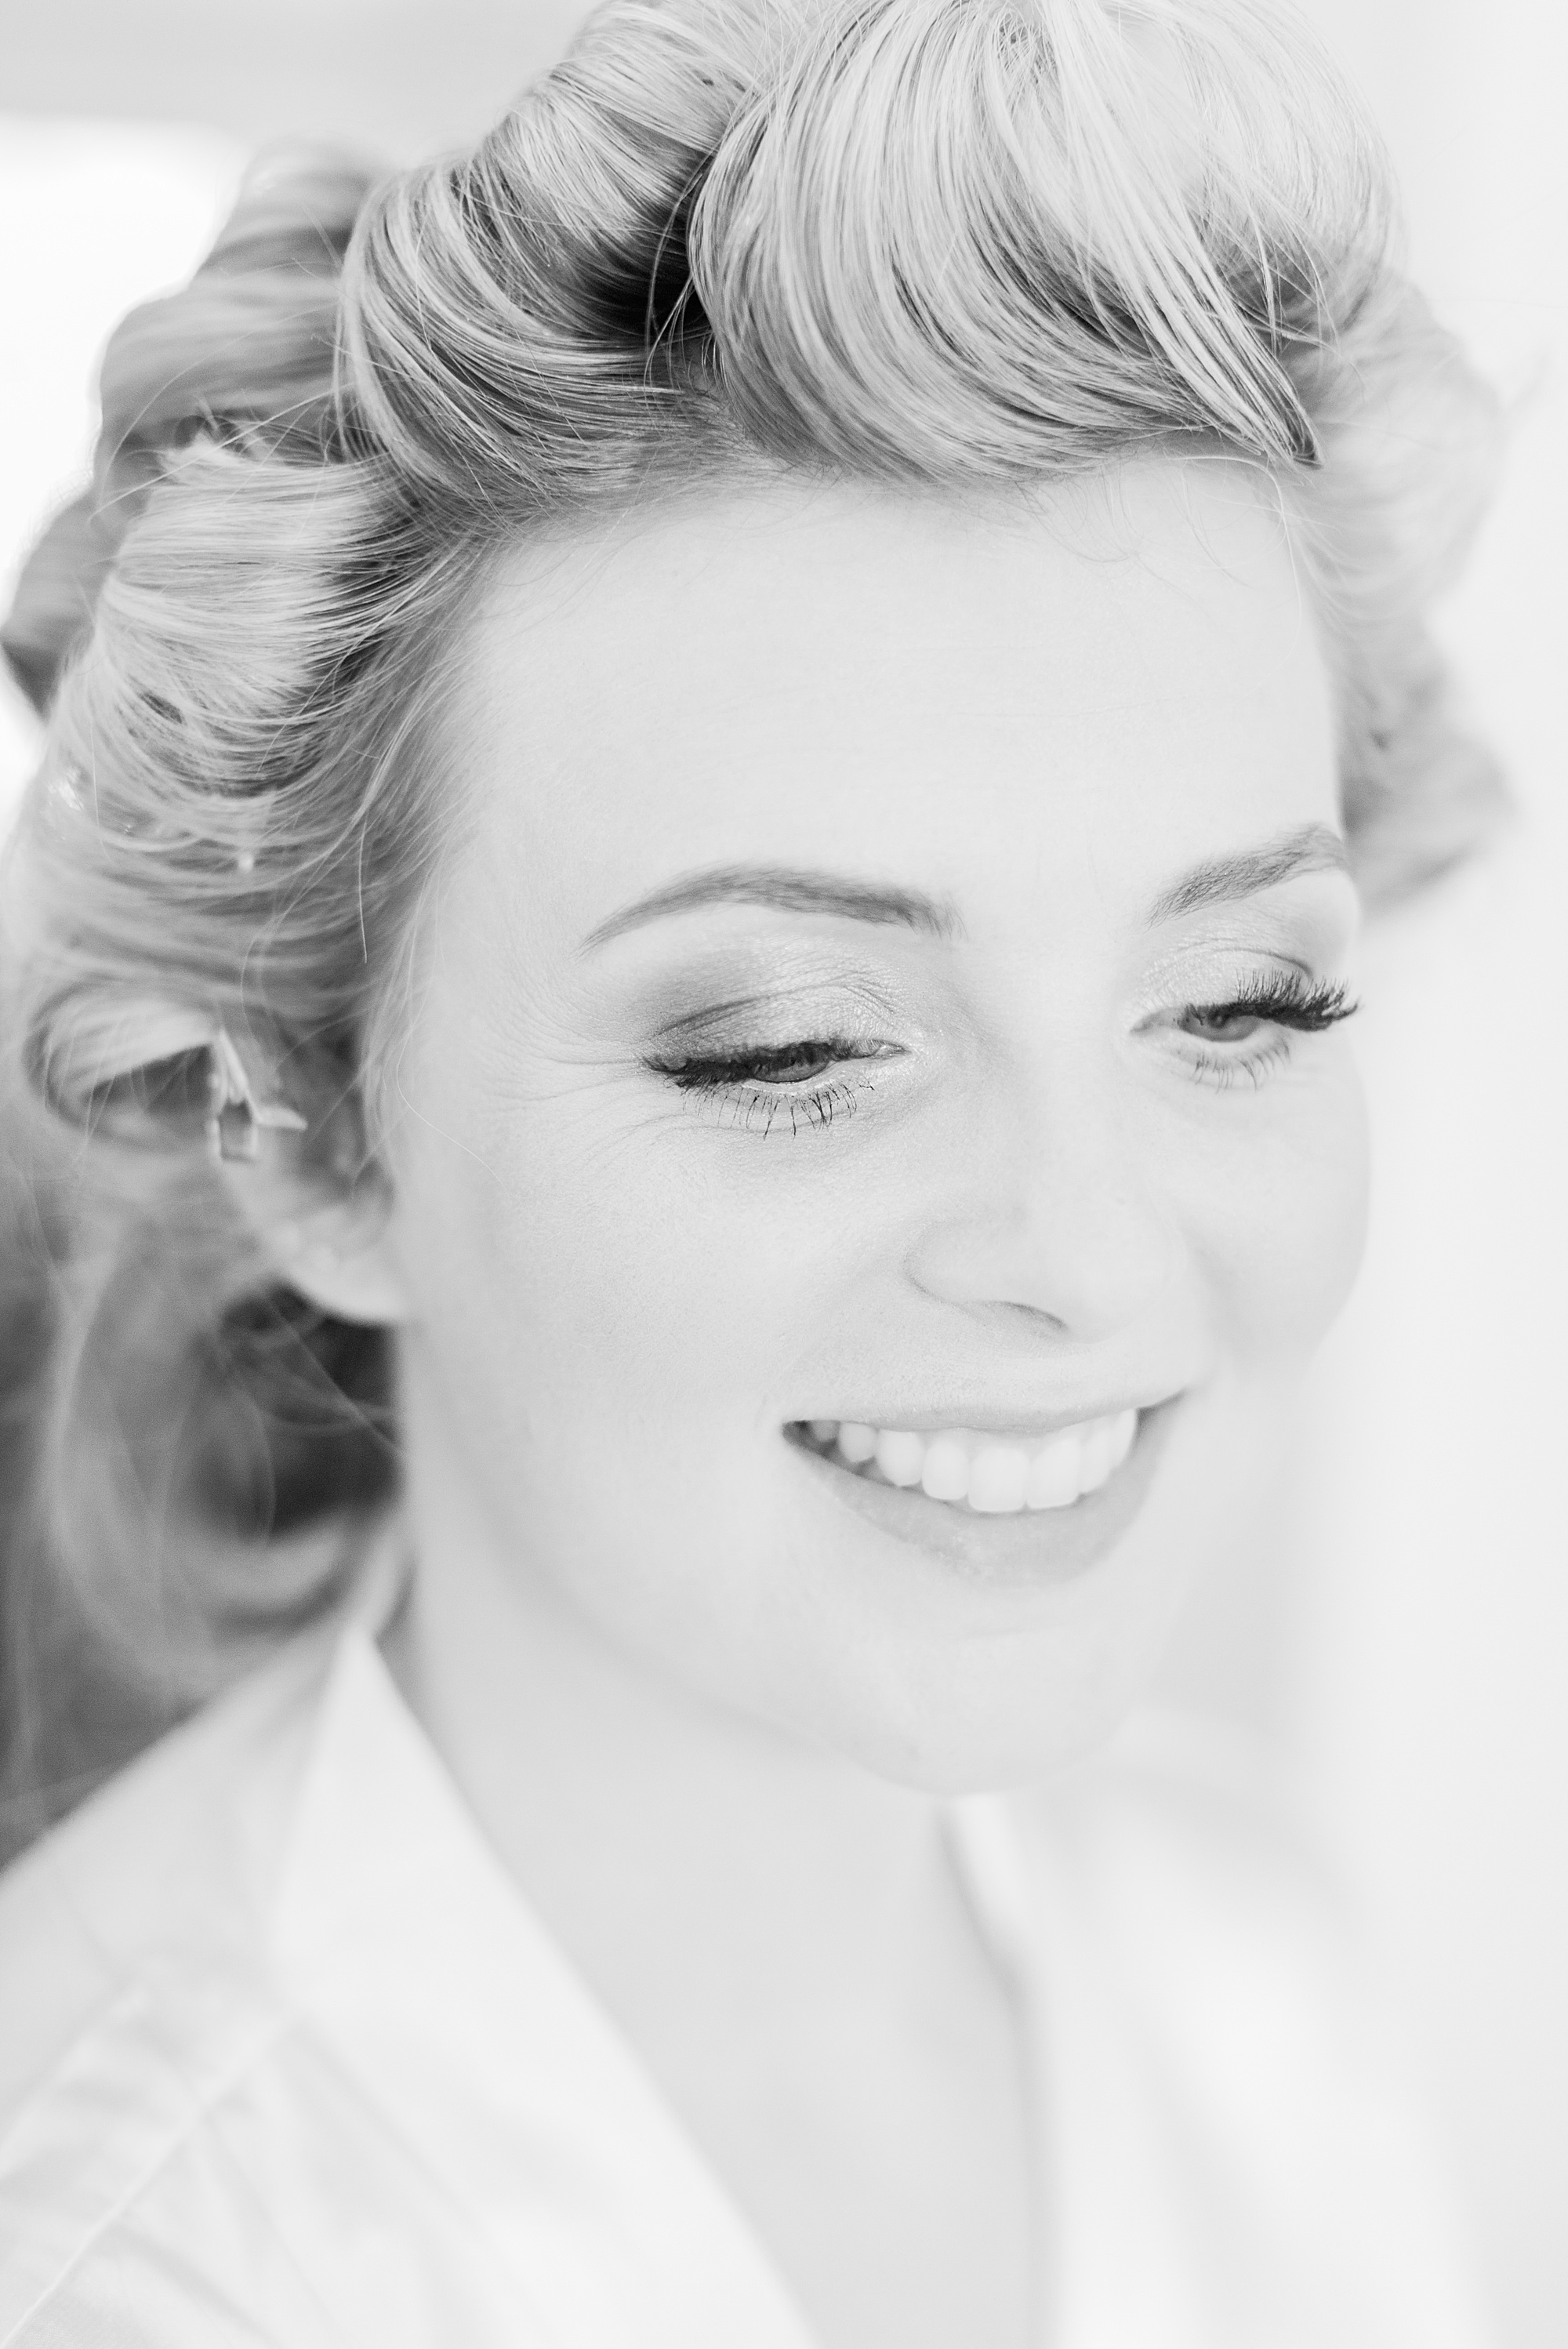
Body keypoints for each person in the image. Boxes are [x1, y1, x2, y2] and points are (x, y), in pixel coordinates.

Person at [0, 0, 1503, 2341]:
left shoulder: (1259, 1986)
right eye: (798, 1045)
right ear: (308, 1131)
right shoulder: (116, 2262)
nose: (1090, 1255)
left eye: (1238, 1006)